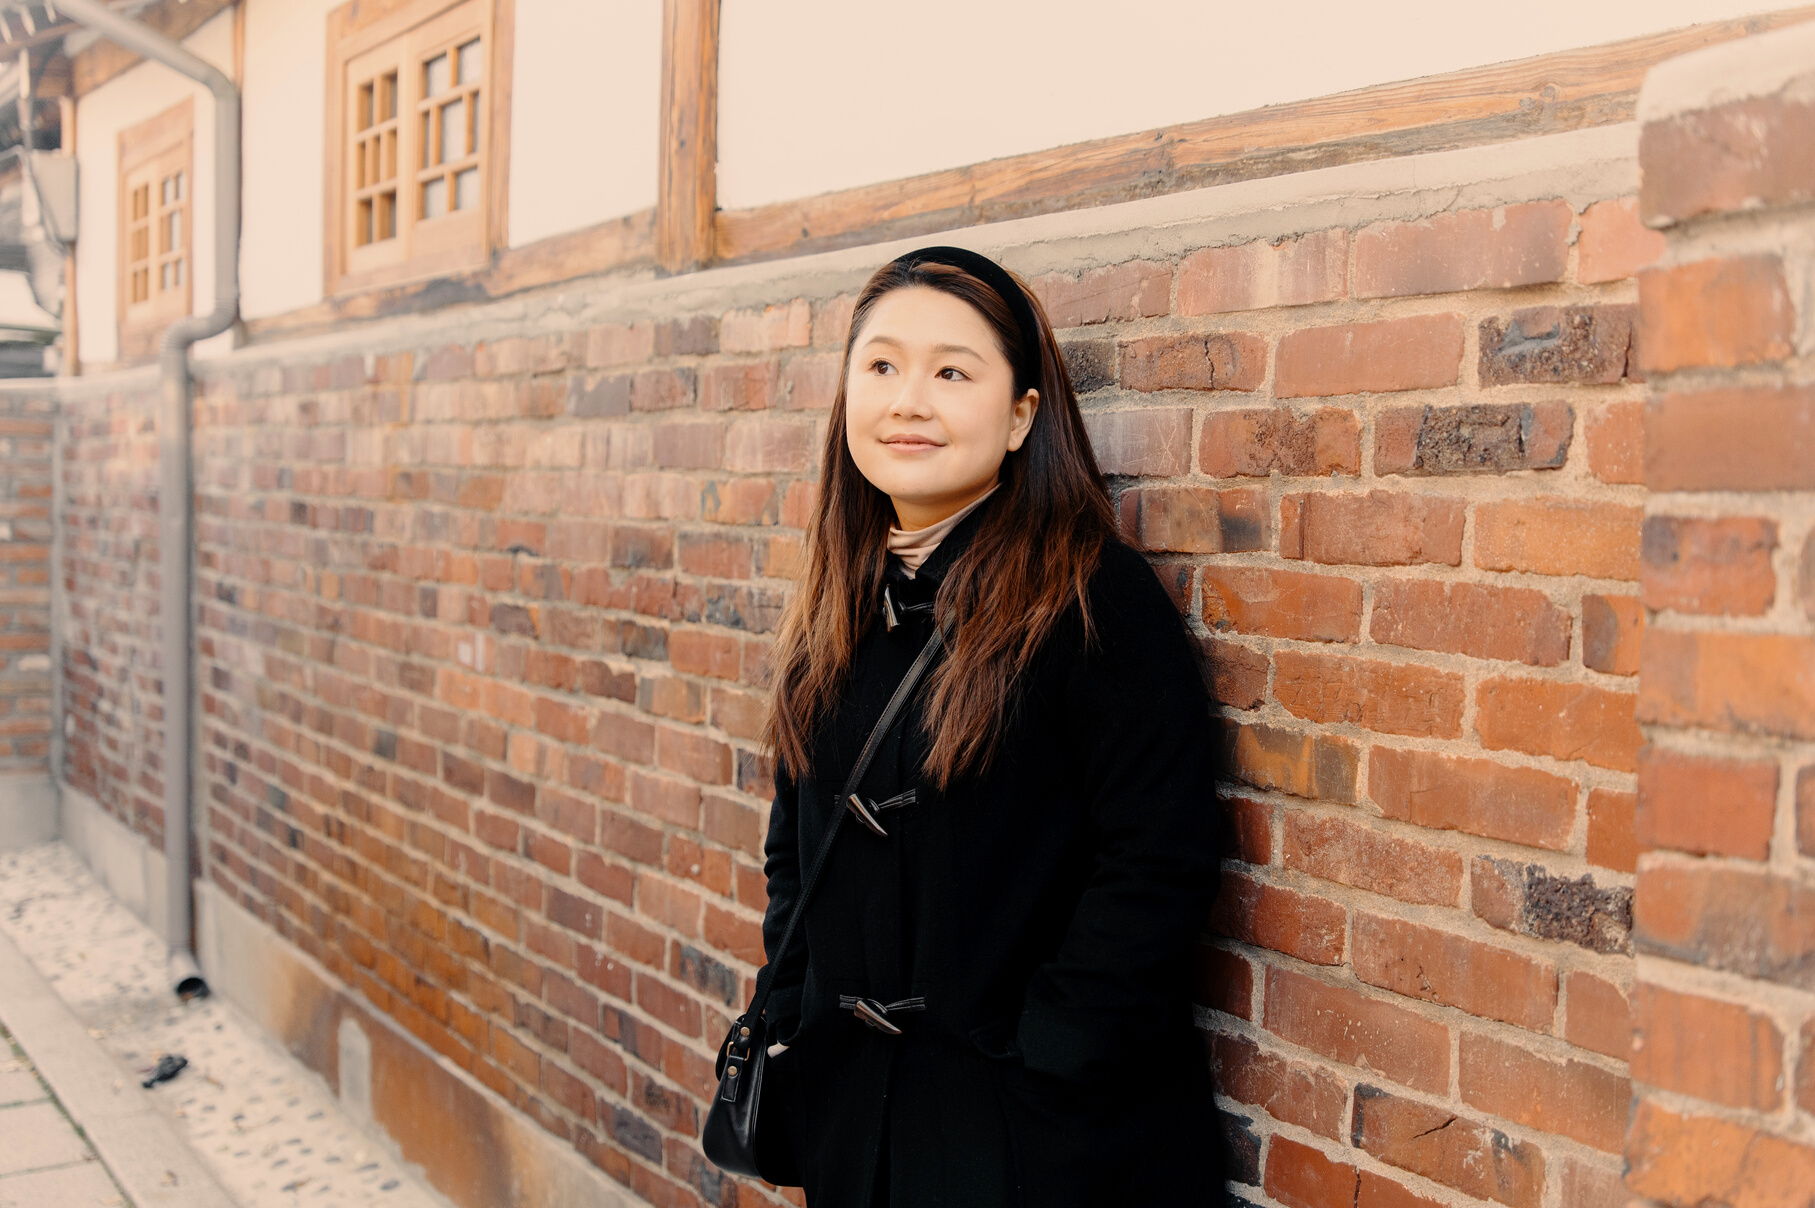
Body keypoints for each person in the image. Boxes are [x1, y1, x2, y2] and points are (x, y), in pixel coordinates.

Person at [753, 246, 1228, 1206]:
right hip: (862, 1131)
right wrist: (793, 1009)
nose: (907, 400)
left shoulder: (1092, 598)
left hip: (1038, 1148)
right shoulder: (839, 608)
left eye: (951, 372)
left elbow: (1159, 854)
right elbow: (794, 852)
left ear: (1021, 416)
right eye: (880, 366)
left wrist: (1055, 1049)